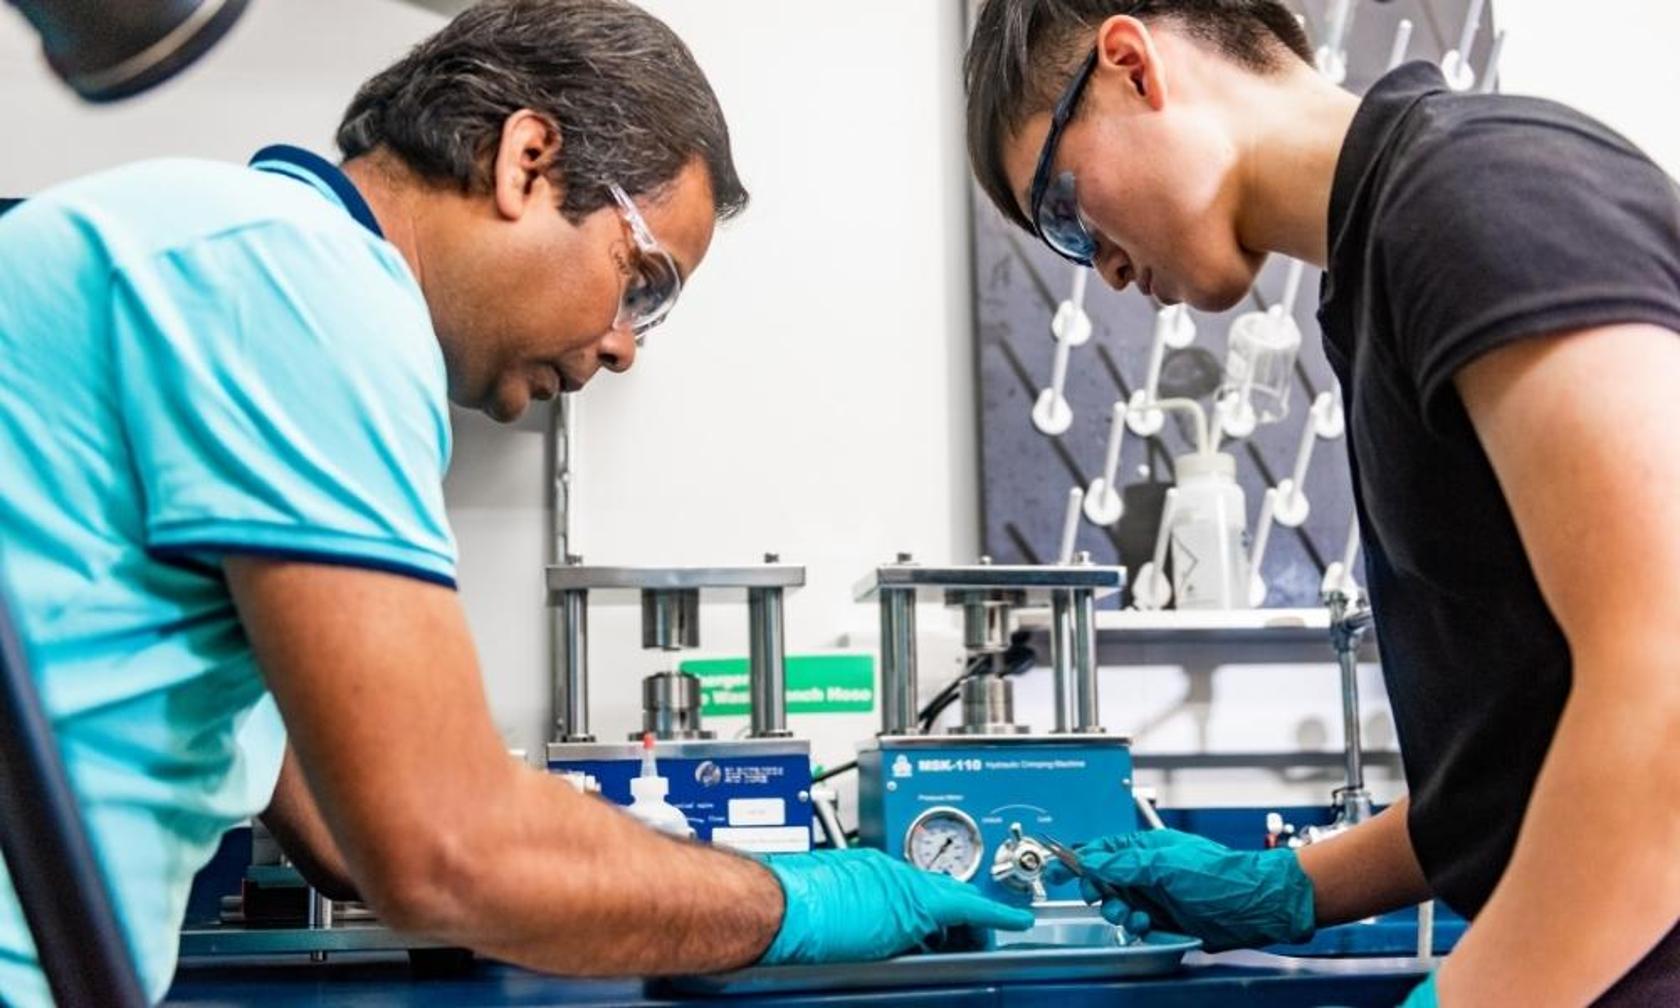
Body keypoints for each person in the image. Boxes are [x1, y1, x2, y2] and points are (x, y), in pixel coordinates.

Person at [0, 1, 1032, 1003]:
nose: (626, 346)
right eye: (644, 284)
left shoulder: (228, 256)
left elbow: (335, 832)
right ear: (526, 161)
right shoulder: (303, 282)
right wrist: (787, 906)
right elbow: (441, 850)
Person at [964, 1, 1680, 1005]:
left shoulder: (1470, 193)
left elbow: (1665, 693)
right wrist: (1291, 887)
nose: (1110, 269)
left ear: (1130, 65)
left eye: (1065, 214)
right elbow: (1524, 760)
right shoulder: (1389, 261)